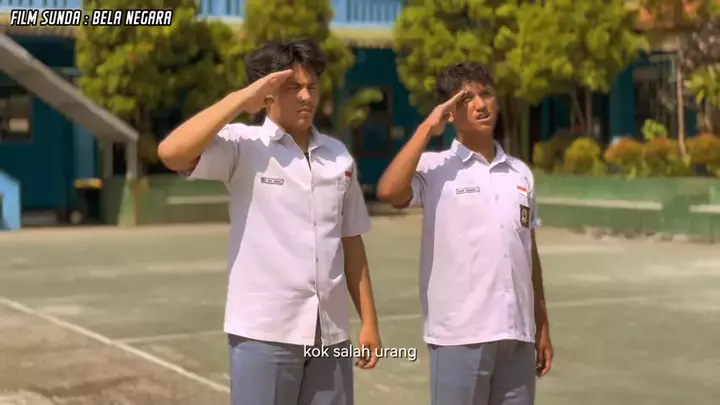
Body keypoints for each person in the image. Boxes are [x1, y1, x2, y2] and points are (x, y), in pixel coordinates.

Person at [157, 39, 381, 405]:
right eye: (293, 87)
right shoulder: (243, 146)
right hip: (264, 334)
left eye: (312, 86)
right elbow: (171, 152)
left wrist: (368, 322)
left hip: (331, 334)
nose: (306, 96)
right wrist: (240, 100)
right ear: (267, 92)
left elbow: (351, 240)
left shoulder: (338, 157)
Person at [376, 62, 553, 405]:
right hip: (459, 336)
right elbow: (389, 191)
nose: (481, 105)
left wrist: (540, 322)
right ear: (450, 112)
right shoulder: (433, 167)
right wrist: (427, 127)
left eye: (486, 94)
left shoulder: (520, 173)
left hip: (516, 335)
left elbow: (527, 251)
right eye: (466, 99)